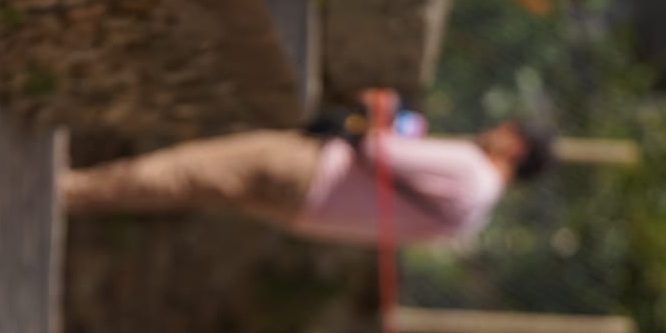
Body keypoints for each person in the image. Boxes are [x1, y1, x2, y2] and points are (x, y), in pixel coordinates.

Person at [60, 115, 553, 245]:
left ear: (516, 147)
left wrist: (363, 122)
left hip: (316, 170)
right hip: (312, 214)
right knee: (195, 187)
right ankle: (87, 195)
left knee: (190, 168)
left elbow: (382, 151)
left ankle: (75, 190)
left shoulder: (471, 169)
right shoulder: (474, 216)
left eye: (507, 129)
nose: (495, 130)